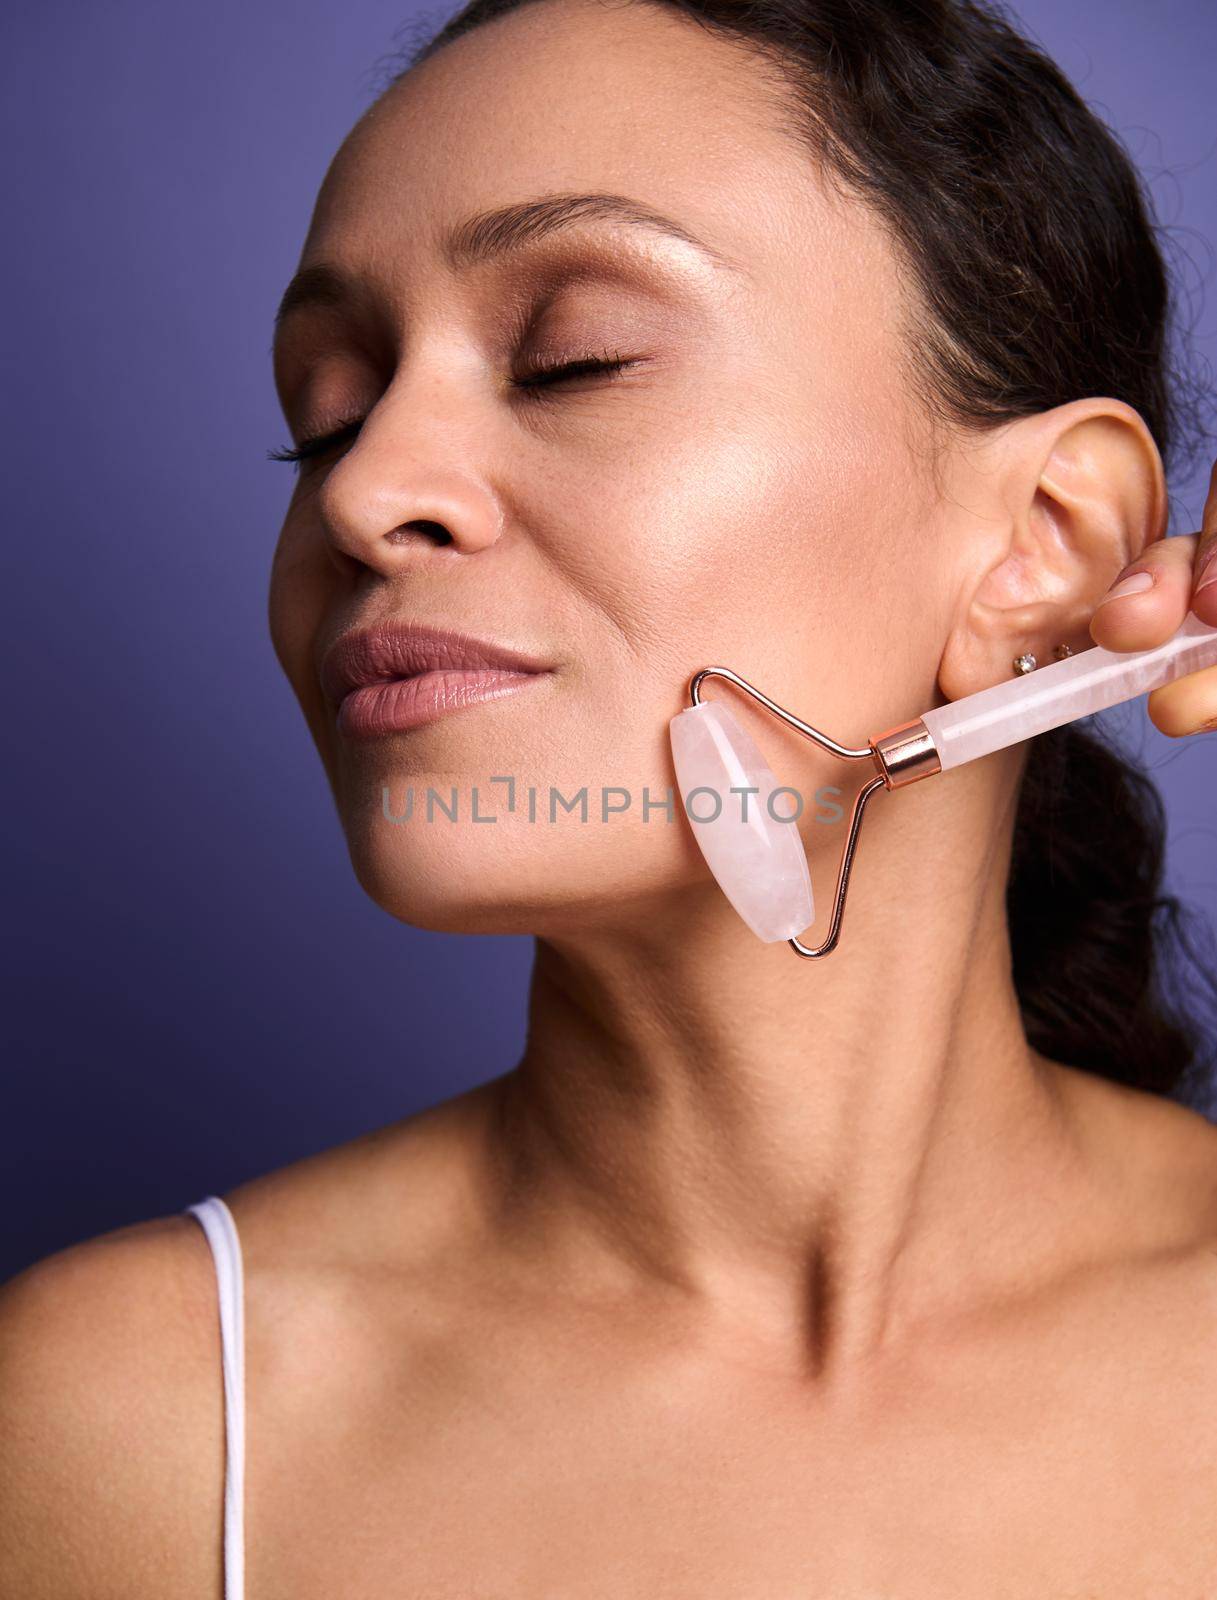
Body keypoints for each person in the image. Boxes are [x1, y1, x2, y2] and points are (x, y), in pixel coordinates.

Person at [4, 0, 1217, 1591]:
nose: (366, 494)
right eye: (325, 418)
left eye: (572, 359)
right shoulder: (130, 1421)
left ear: (1045, 538)